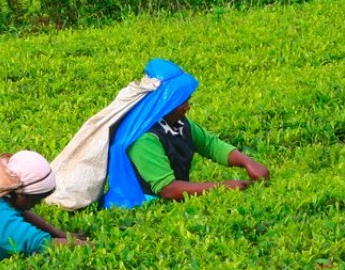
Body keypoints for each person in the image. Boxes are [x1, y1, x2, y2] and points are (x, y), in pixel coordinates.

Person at [103, 59, 269, 208]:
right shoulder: (144, 138)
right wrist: (222, 187)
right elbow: (167, 189)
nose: (187, 107)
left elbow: (210, 144)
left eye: (187, 100)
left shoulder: (179, 123)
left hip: (174, 198)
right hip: (141, 203)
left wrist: (247, 162)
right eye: (181, 102)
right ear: (164, 104)